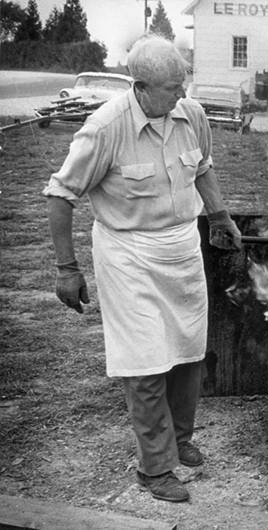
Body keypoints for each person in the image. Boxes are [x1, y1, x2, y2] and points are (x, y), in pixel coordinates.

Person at [43, 35, 242, 503]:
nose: (181, 94)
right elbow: (60, 194)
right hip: (128, 254)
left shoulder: (189, 114)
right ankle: (154, 468)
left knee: (188, 351)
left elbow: (203, 167)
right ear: (141, 86)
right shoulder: (105, 127)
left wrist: (218, 216)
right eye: (173, 87)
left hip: (181, 248)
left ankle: (181, 439)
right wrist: (66, 269)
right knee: (146, 361)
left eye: (183, 84)